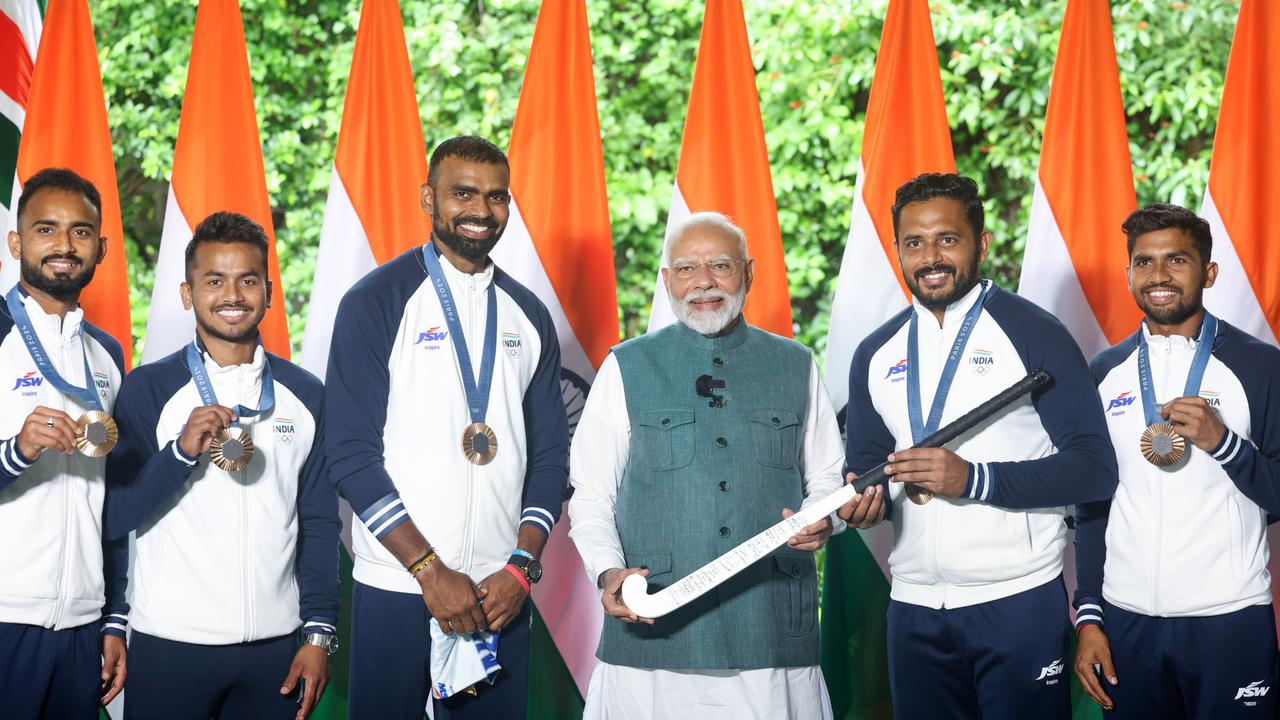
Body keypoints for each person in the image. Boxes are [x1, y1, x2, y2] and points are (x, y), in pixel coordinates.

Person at [838, 173, 1117, 719]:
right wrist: (861, 507)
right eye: (914, 243)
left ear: (981, 243)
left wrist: (973, 478)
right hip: (913, 606)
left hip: (1017, 601)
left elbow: (1094, 469)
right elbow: (866, 475)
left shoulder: (1035, 334)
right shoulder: (875, 353)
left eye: (948, 238)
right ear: (896, 249)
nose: (930, 257)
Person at [568, 211, 867, 719]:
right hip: (654, 632)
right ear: (667, 281)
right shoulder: (626, 366)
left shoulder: (796, 364)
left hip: (771, 631)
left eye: (720, 266)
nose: (703, 282)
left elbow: (826, 482)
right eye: (686, 269)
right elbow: (592, 496)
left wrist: (828, 517)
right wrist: (608, 572)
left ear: (748, 273)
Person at [325, 135, 568, 719]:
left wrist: (521, 568)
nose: (482, 211)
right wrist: (429, 571)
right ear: (428, 199)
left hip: (499, 593)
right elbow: (350, 454)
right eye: (463, 193)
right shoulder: (375, 301)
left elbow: (552, 456)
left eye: (496, 197)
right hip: (399, 587)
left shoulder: (529, 314)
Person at [104, 211, 339, 720]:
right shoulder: (147, 390)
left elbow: (320, 524)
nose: (232, 295)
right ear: (188, 294)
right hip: (169, 644)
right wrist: (180, 454)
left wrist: (318, 631)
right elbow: (115, 516)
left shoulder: (307, 395)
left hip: (277, 649)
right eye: (214, 281)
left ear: (269, 292)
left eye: (247, 280)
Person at [1073, 203, 1280, 718]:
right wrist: (1090, 616)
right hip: (1126, 621)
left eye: (1177, 261)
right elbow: (1093, 508)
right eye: (1144, 262)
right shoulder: (1103, 372)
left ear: (1208, 272)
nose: (1158, 275)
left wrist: (1225, 444)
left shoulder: (1260, 366)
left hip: (1229, 619)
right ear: (1128, 274)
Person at [0, 167, 128, 718]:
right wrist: (16, 450)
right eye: (46, 229)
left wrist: (113, 618)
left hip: (82, 623)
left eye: (80, 232)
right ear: (15, 241)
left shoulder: (109, 356)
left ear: (99, 248)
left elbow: (115, 500)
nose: (63, 244)